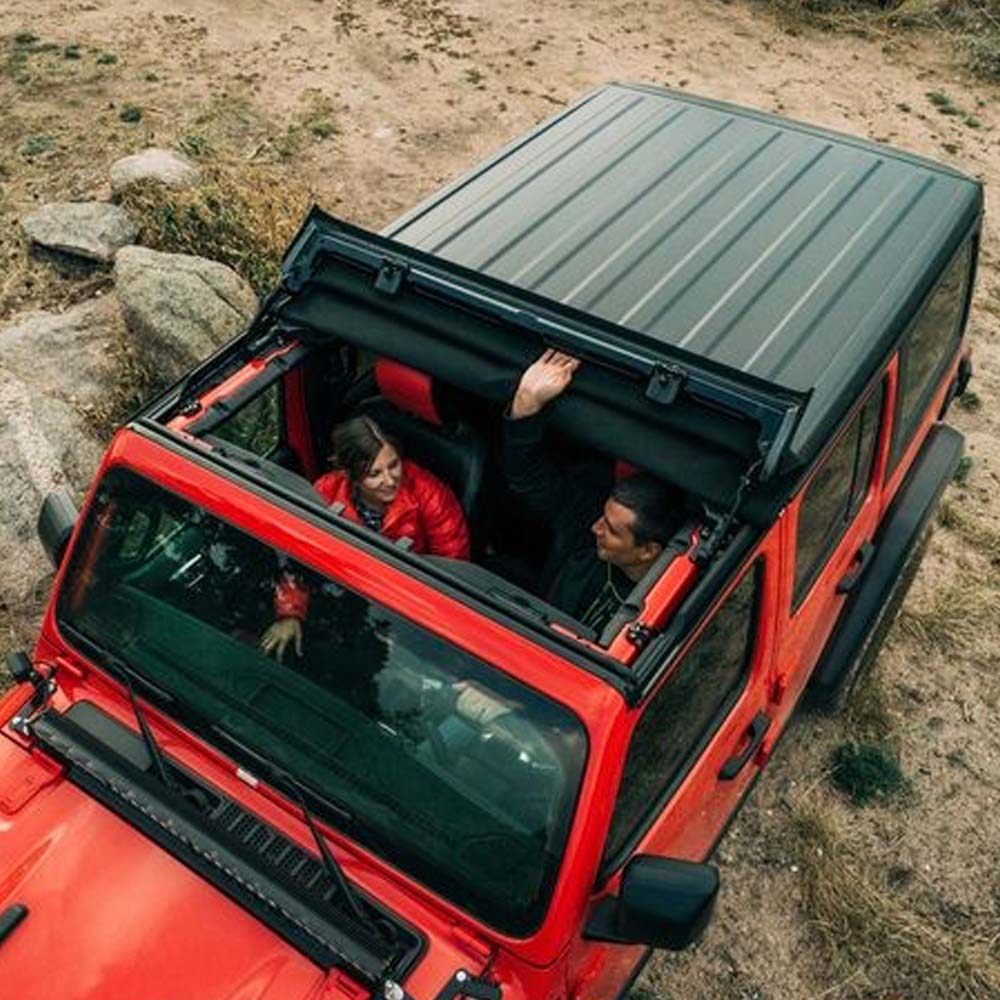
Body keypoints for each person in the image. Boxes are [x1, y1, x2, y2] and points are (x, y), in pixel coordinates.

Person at [502, 349, 682, 633]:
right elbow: (530, 480)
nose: (595, 527)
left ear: (648, 551)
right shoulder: (586, 533)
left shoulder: (667, 612)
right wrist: (526, 403)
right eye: (603, 518)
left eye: (611, 529)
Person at [261, 415, 469, 659]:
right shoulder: (326, 492)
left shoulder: (430, 494)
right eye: (374, 473)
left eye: (394, 465)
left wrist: (410, 632)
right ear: (350, 474)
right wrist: (290, 613)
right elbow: (300, 559)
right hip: (347, 597)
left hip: (408, 604)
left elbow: (452, 571)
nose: (390, 480)